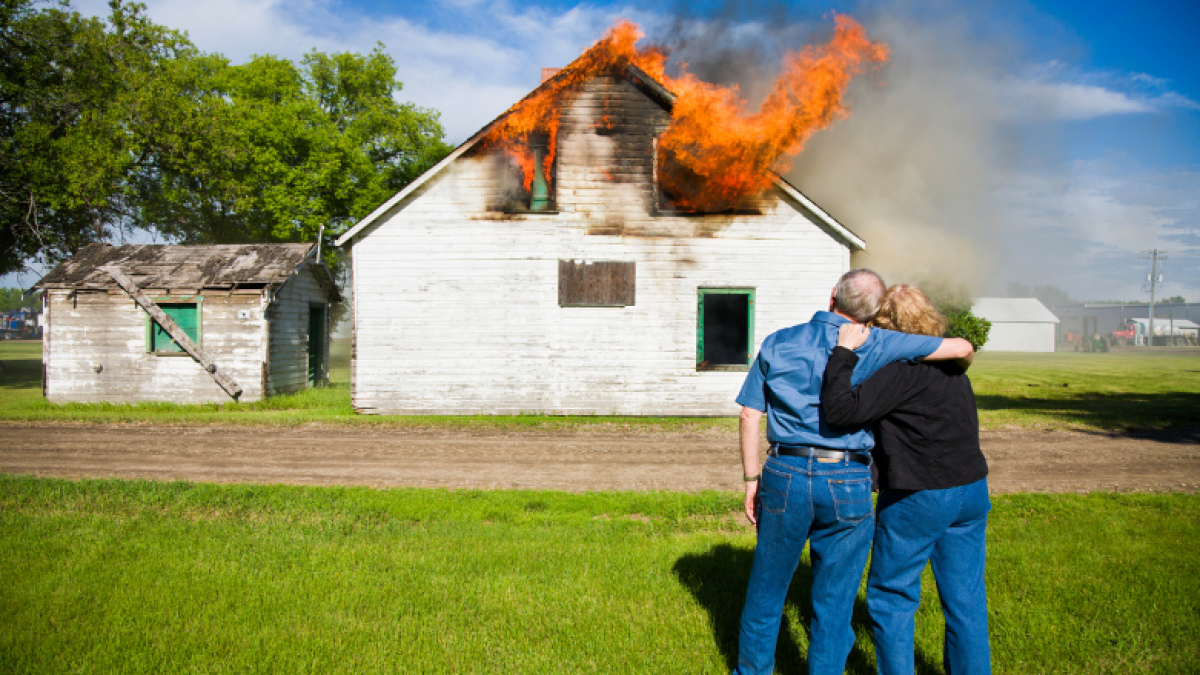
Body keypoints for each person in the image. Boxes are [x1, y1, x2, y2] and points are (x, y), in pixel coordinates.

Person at [733, 269, 975, 675]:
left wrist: (751, 480)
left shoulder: (778, 341)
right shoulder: (881, 342)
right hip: (847, 477)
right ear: (873, 311)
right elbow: (958, 347)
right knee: (835, 600)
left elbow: (748, 413)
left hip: (785, 472)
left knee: (766, 591)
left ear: (832, 296)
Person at [820, 284, 990, 675]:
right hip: (972, 490)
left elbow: (842, 412)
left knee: (891, 596)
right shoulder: (953, 368)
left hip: (920, 495)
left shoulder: (901, 370)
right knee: (965, 601)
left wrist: (843, 355)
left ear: (883, 324)